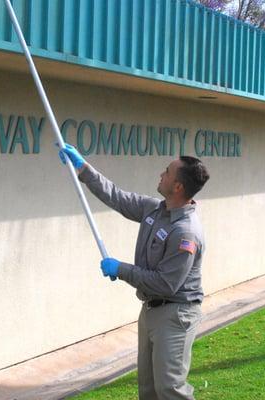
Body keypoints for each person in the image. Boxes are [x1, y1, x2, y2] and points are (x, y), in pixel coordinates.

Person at [59, 143, 210, 400]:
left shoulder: (185, 232)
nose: (161, 174)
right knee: (149, 390)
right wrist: (82, 167)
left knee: (170, 389)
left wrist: (122, 269)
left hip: (176, 315)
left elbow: (165, 284)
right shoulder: (155, 209)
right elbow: (117, 197)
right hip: (151, 309)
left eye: (167, 172)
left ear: (178, 187)